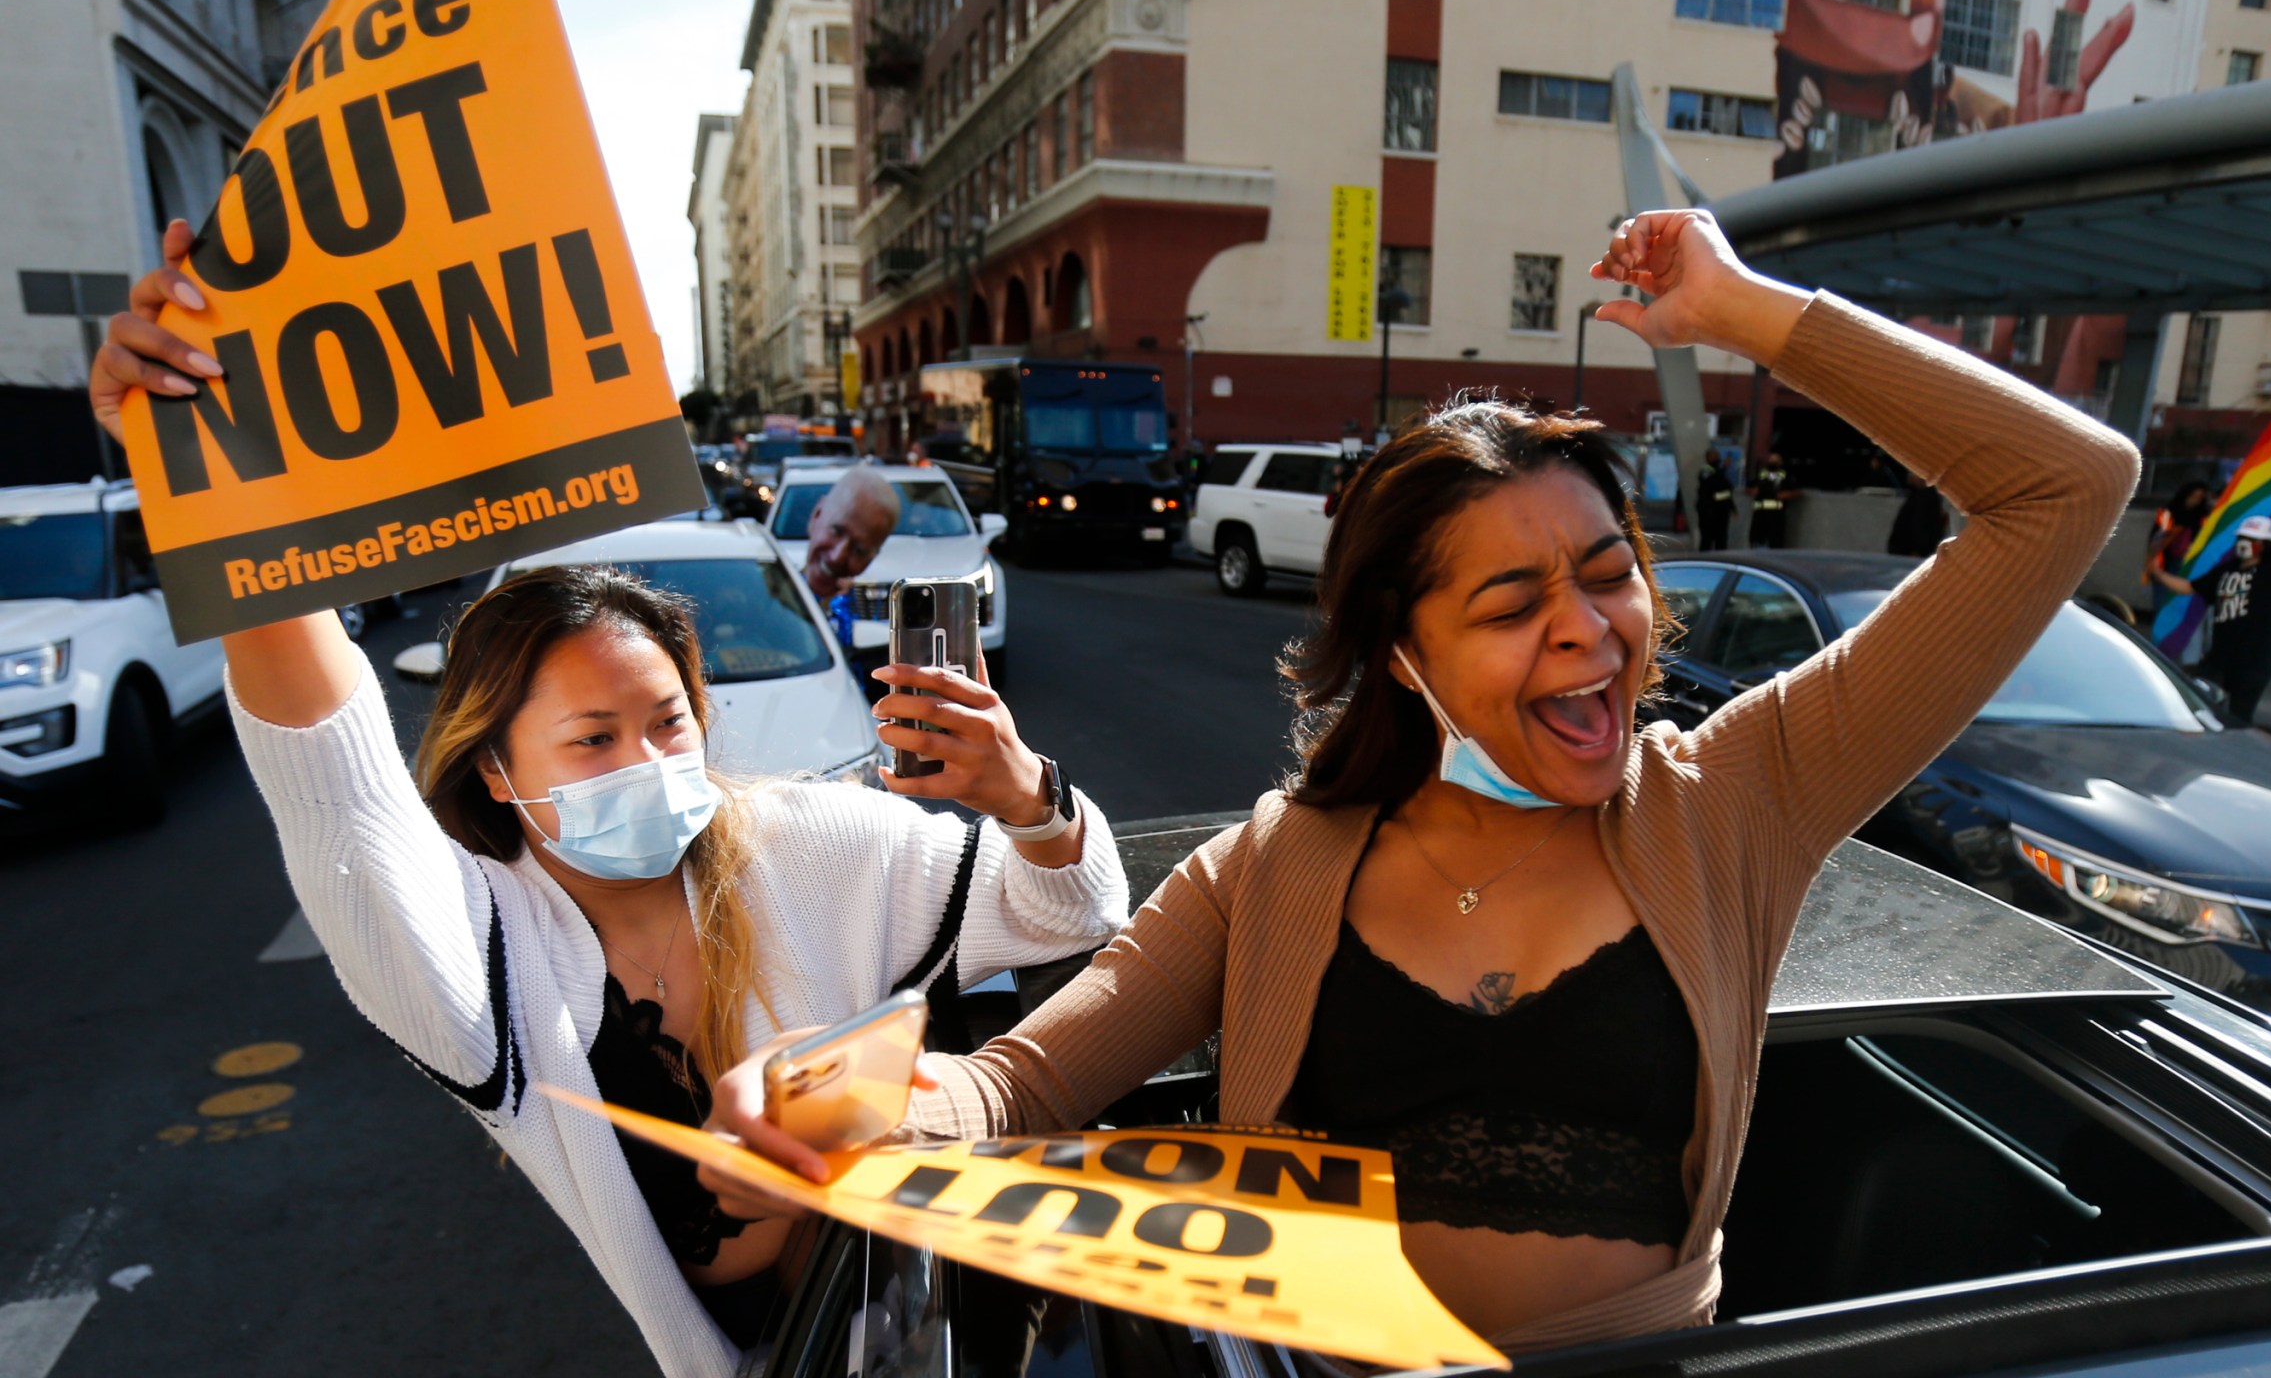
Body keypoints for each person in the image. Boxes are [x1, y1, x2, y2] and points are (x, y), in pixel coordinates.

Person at [703, 207, 2140, 1352]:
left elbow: (2061, 489)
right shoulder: (1271, 868)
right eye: (1513, 605)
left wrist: (1744, 313)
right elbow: (1021, 1082)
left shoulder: (1738, 798)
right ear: (1403, 657)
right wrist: (849, 1105)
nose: (1589, 628)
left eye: (1607, 576)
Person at [85, 221, 1133, 1378]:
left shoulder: (812, 843)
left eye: (668, 721)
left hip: (943, 1323)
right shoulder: (477, 956)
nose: (644, 761)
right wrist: (207, 479)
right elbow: (336, 785)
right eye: (590, 739)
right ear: (495, 769)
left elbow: (1073, 912)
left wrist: (1029, 796)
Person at [2146, 478, 2271, 725]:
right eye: (2242, 538)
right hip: (2218, 658)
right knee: (2200, 711)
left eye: (2251, 540)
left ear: (2264, 546)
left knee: (2238, 718)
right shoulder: (2226, 569)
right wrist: (2158, 573)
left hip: (2253, 661)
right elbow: (2189, 587)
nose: (2244, 544)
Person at [804, 466, 902, 605]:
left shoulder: (859, 616)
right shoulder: (765, 596)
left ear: (870, 559)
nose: (837, 557)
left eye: (858, 550)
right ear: (816, 515)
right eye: (836, 531)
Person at [1747, 450, 1798, 548]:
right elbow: (1748, 487)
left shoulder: (1785, 476)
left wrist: (1786, 495)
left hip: (1777, 515)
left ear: (1780, 463)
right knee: (1757, 541)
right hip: (1760, 514)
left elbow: (1796, 492)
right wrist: (1753, 491)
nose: (1772, 463)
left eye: (1775, 461)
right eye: (1771, 460)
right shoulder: (1761, 475)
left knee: (1776, 542)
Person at [1886, 479, 1948, 557]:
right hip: (1909, 552)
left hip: (1912, 553)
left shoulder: (1925, 497)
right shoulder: (1918, 495)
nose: (1910, 475)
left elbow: (1920, 524)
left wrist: (1918, 550)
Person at [1695, 451, 1735, 551]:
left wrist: (1733, 508)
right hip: (1708, 509)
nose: (1717, 459)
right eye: (1714, 457)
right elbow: (1711, 483)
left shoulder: (1720, 471)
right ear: (1708, 458)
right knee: (1707, 538)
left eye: (1718, 456)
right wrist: (1723, 468)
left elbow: (1726, 491)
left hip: (1722, 509)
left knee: (1721, 537)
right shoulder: (1706, 470)